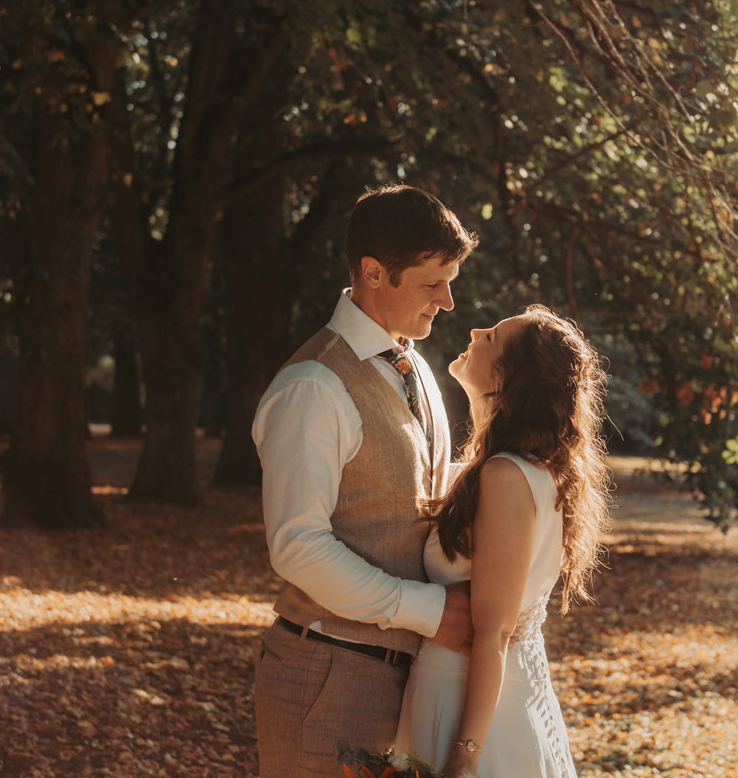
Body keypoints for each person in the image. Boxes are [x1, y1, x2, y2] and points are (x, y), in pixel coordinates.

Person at [252, 184, 479, 777]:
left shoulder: (417, 367)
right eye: (434, 282)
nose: (448, 301)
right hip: (326, 677)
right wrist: (429, 610)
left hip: (407, 681)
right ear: (374, 273)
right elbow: (297, 546)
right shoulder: (312, 386)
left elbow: (411, 496)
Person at [395, 304, 612, 778]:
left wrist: (465, 754)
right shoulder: (513, 469)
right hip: (483, 690)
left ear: (508, 379)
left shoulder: (507, 476)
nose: (475, 329)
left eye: (491, 337)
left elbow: (492, 633)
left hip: (469, 706)